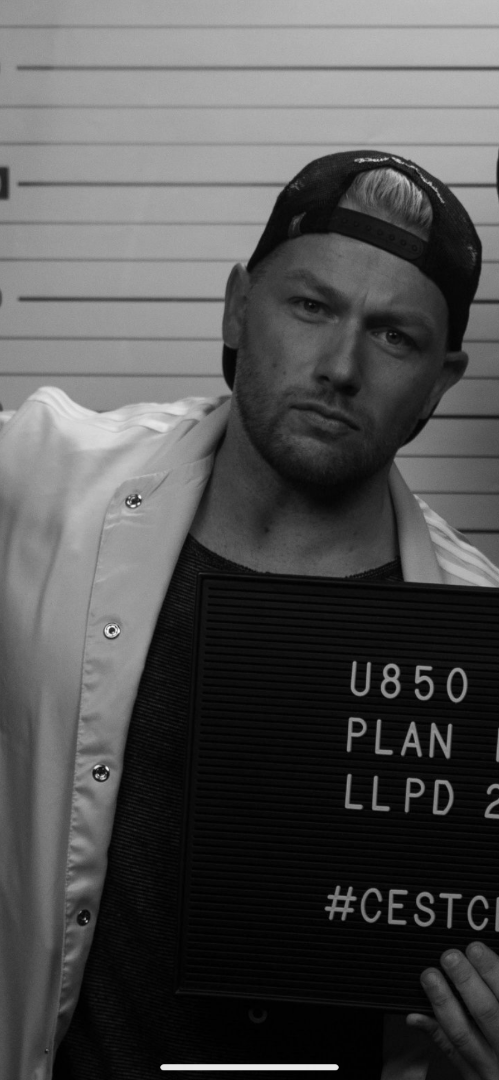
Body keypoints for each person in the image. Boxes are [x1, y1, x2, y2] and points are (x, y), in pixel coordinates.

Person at [1, 149, 499, 1080]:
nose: (340, 367)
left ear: (440, 381)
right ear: (237, 307)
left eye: (394, 336)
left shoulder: (476, 642)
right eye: (310, 307)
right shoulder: (41, 478)